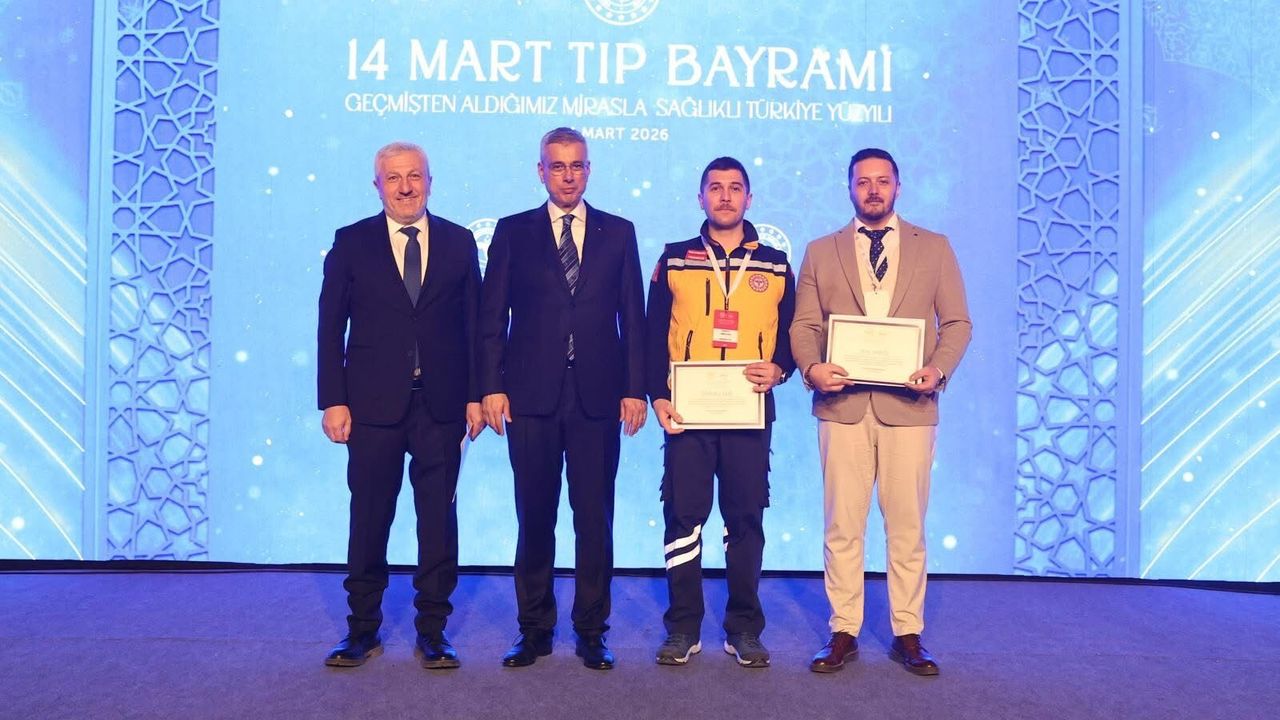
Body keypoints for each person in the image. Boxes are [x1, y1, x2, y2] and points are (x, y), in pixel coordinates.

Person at [790, 147, 972, 676]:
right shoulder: (821, 250)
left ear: (898, 186)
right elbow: (804, 325)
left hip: (909, 407)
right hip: (841, 406)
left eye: (882, 181)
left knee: (907, 525)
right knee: (842, 524)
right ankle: (843, 630)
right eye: (863, 181)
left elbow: (957, 323)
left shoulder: (934, 247)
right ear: (849, 188)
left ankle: (907, 631)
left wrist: (937, 370)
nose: (873, 190)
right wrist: (812, 368)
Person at [478, 127, 647, 670]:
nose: (568, 176)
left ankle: (592, 630)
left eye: (577, 166)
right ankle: (534, 629)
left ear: (589, 170)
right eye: (558, 166)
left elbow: (634, 317)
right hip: (530, 396)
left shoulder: (619, 232)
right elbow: (491, 317)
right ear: (541, 171)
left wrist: (635, 389)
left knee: (594, 519)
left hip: (599, 396)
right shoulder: (513, 231)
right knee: (535, 516)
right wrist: (490, 386)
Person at [317, 141, 484, 670]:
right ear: (378, 186)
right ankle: (361, 630)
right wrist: (332, 400)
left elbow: (476, 325)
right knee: (369, 518)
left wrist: (477, 395)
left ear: (430, 182)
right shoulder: (351, 242)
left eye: (415, 176)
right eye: (393, 178)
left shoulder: (459, 241)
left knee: (437, 522)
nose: (406, 187)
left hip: (442, 406)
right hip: (371, 408)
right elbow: (330, 327)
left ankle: (433, 631)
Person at [646, 156, 795, 668]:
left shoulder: (776, 263)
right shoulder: (674, 258)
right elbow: (651, 331)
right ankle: (682, 627)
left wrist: (780, 368)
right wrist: (657, 394)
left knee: (745, 518)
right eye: (715, 187)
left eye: (735, 188)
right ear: (701, 197)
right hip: (688, 411)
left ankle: (744, 629)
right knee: (683, 518)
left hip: (748, 410)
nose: (725, 196)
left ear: (749, 198)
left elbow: (794, 334)